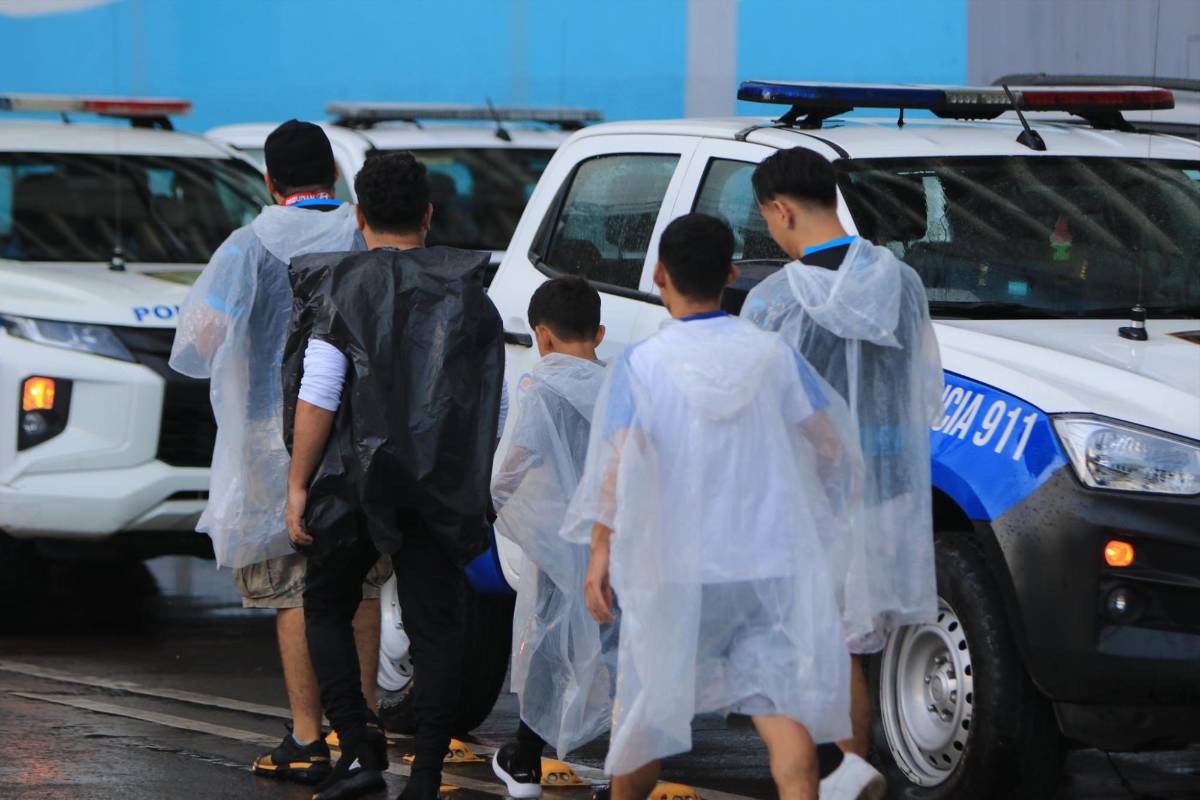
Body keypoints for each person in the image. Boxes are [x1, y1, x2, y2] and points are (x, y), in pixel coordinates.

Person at [570, 213, 860, 800]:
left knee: (645, 714)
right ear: (731, 275)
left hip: (674, 569)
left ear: (659, 276)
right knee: (779, 707)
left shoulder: (643, 364)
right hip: (765, 566)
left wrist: (600, 550)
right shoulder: (772, 355)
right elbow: (830, 448)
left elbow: (619, 465)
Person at [170, 120, 389, 785]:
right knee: (361, 583)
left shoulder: (245, 247)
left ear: (269, 181)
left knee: (293, 588)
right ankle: (362, 726)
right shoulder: (364, 238)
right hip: (358, 440)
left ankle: (307, 736)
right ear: (334, 175)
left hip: (273, 445)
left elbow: (199, 344)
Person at [284, 152, 504, 800]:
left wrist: (297, 485)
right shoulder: (469, 291)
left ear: (359, 217)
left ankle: (358, 747)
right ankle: (426, 774)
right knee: (438, 628)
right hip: (438, 484)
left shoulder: (340, 286)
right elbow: (492, 401)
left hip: (354, 480)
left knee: (326, 603)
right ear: (428, 214)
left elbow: (320, 392)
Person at [742, 147, 944, 800]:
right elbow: (925, 389)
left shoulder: (775, 301)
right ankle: (847, 769)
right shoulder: (901, 283)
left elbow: (758, 413)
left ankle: (829, 776)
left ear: (780, 210)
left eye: (766, 219)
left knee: (803, 643)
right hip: (887, 492)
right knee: (850, 643)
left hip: (810, 501)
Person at [489, 277, 616, 799]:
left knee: (546, 643)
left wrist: (496, 511)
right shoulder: (620, 385)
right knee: (617, 649)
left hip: (562, 545)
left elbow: (513, 469)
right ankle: (624, 766)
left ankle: (525, 760)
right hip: (617, 542)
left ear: (540, 336)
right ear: (600, 333)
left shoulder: (543, 388)